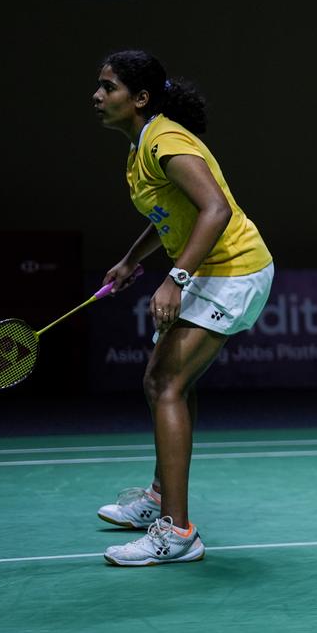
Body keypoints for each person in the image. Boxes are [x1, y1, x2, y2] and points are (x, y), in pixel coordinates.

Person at [91, 50, 274, 566]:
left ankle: (178, 532)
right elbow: (171, 211)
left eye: (109, 87)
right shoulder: (142, 145)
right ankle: (159, 500)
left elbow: (215, 208)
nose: (97, 96)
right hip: (213, 269)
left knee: (162, 383)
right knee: (171, 382)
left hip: (233, 268)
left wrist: (175, 278)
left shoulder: (165, 139)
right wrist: (131, 261)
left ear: (140, 98)